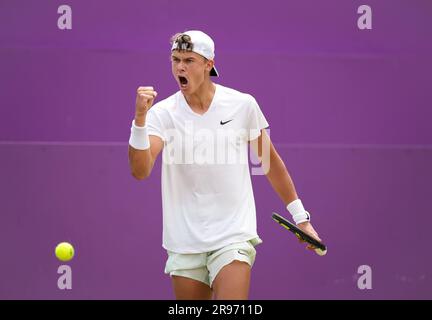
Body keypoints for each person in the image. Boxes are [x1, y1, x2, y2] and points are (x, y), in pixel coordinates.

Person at [128, 30, 322, 300]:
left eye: (189, 60)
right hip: (183, 240)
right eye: (175, 59)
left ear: (209, 64)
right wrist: (139, 119)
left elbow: (270, 164)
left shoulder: (242, 105)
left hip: (233, 234)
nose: (180, 67)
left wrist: (301, 219)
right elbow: (141, 170)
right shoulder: (161, 113)